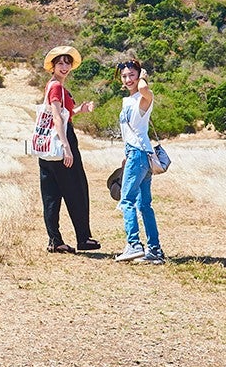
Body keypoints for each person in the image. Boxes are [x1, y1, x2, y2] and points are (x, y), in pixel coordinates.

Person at [39, 45, 100, 253]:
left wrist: (80, 109)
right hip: (61, 141)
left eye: (67, 63)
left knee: (51, 194)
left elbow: (64, 113)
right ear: (53, 66)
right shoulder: (57, 87)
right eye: (60, 63)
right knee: (77, 190)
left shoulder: (52, 86)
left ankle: (55, 241)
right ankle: (83, 238)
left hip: (47, 147)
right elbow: (57, 117)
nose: (64, 67)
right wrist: (66, 147)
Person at [114, 57, 164, 264]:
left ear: (139, 75)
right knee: (144, 204)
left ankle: (134, 245)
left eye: (132, 75)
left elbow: (144, 89)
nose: (128, 80)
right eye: (124, 76)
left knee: (126, 200)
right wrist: (126, 157)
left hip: (139, 153)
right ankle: (155, 250)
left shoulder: (144, 97)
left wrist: (143, 77)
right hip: (136, 153)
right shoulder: (128, 101)